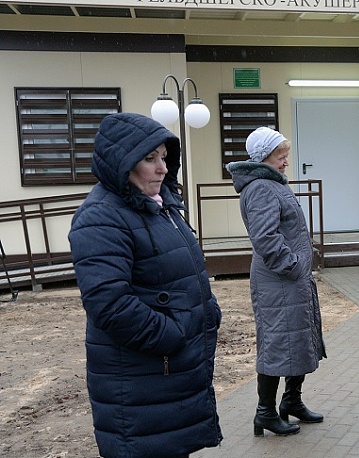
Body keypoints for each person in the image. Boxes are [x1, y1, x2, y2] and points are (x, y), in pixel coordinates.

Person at [69, 112, 223, 458]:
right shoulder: (101, 218)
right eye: (149, 159)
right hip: (139, 384)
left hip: (165, 380)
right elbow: (110, 305)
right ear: (122, 164)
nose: (162, 168)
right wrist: (174, 334)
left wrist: (208, 312)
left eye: (164, 158)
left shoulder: (160, 207)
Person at [226, 126, 326, 438]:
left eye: (285, 156)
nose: (285, 162)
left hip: (290, 279)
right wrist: (294, 265)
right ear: (265, 156)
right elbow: (266, 239)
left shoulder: (270, 185)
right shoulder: (260, 189)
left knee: (298, 338)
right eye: (281, 156)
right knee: (276, 343)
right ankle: (265, 413)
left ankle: (291, 401)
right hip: (279, 280)